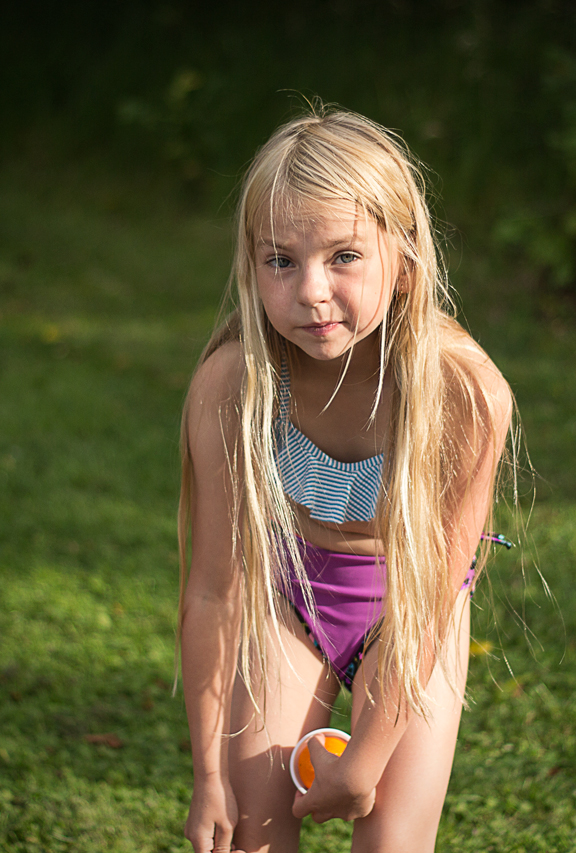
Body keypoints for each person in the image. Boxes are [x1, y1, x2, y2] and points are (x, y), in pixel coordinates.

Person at [178, 105, 516, 853]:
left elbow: (429, 603)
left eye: (344, 256)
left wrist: (363, 763)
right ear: (251, 264)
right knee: (249, 838)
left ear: (404, 257)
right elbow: (213, 591)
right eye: (280, 261)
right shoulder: (234, 383)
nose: (311, 290)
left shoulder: (464, 394)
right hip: (289, 596)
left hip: (413, 612)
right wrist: (209, 774)